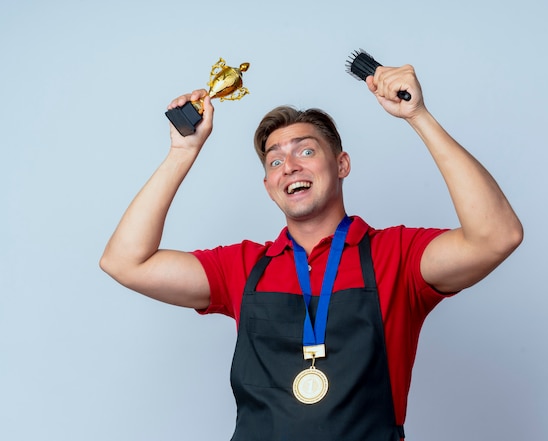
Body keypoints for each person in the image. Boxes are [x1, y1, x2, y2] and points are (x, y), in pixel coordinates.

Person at [100, 62, 523, 441]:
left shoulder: (396, 256)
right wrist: (181, 152)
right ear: (269, 187)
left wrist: (419, 116)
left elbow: (497, 236)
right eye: (275, 161)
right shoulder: (243, 267)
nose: (291, 167)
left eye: (306, 150)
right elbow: (125, 262)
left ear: (341, 165)